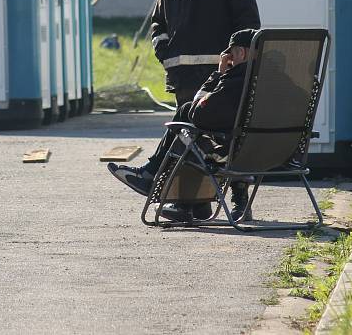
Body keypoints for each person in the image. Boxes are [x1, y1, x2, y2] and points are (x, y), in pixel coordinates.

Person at [108, 29, 258, 222]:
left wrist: (218, 75)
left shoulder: (235, 81)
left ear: (240, 53)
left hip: (235, 153)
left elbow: (199, 114)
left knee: (185, 125)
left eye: (232, 54)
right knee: (190, 129)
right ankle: (193, 203)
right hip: (276, 153)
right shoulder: (279, 82)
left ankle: (165, 188)